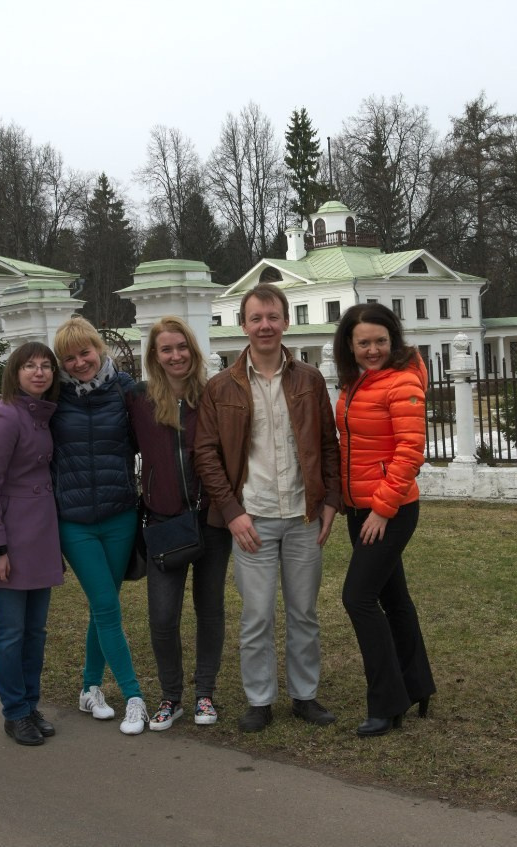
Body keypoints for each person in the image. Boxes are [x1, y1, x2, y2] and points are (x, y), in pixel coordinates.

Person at [195, 283, 341, 733]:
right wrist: (233, 511)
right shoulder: (220, 387)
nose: (265, 325)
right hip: (252, 519)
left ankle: (305, 696)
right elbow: (206, 454)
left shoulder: (310, 380)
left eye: (273, 316)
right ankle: (259, 699)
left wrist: (331, 501)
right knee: (257, 616)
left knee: (304, 614)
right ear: (243, 325)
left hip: (302, 516)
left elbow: (327, 446)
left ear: (286, 321)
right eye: (256, 318)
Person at [332, 303, 436, 737]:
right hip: (360, 509)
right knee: (393, 599)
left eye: (380, 341)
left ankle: (387, 701)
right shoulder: (356, 382)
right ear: (350, 346)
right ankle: (416, 685)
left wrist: (381, 508)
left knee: (357, 598)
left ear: (393, 340)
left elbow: (410, 452)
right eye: (363, 343)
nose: (372, 349)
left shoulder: (402, 382)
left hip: (387, 510)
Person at [127, 316, 231, 731]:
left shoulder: (213, 395)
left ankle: (204, 692)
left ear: (193, 349)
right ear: (154, 355)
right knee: (162, 617)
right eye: (166, 349)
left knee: (210, 610)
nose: (175, 355)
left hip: (211, 520)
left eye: (181, 347)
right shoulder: (138, 399)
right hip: (164, 523)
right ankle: (171, 696)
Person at [51, 316, 148, 736]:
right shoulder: (53, 397)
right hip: (74, 521)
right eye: (68, 358)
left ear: (99, 349)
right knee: (107, 606)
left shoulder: (125, 389)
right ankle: (134, 697)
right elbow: (15, 417)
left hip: (120, 515)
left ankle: (89, 688)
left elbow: (154, 433)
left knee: (102, 606)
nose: (78, 363)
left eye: (85, 352)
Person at [0, 342, 64, 746]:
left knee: (35, 632)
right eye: (30, 366)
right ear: (15, 372)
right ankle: (14, 711)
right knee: (9, 632)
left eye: (46, 366)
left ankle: (29, 703)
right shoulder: (6, 416)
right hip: (8, 543)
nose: (39, 372)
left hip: (39, 538)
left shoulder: (40, 415)